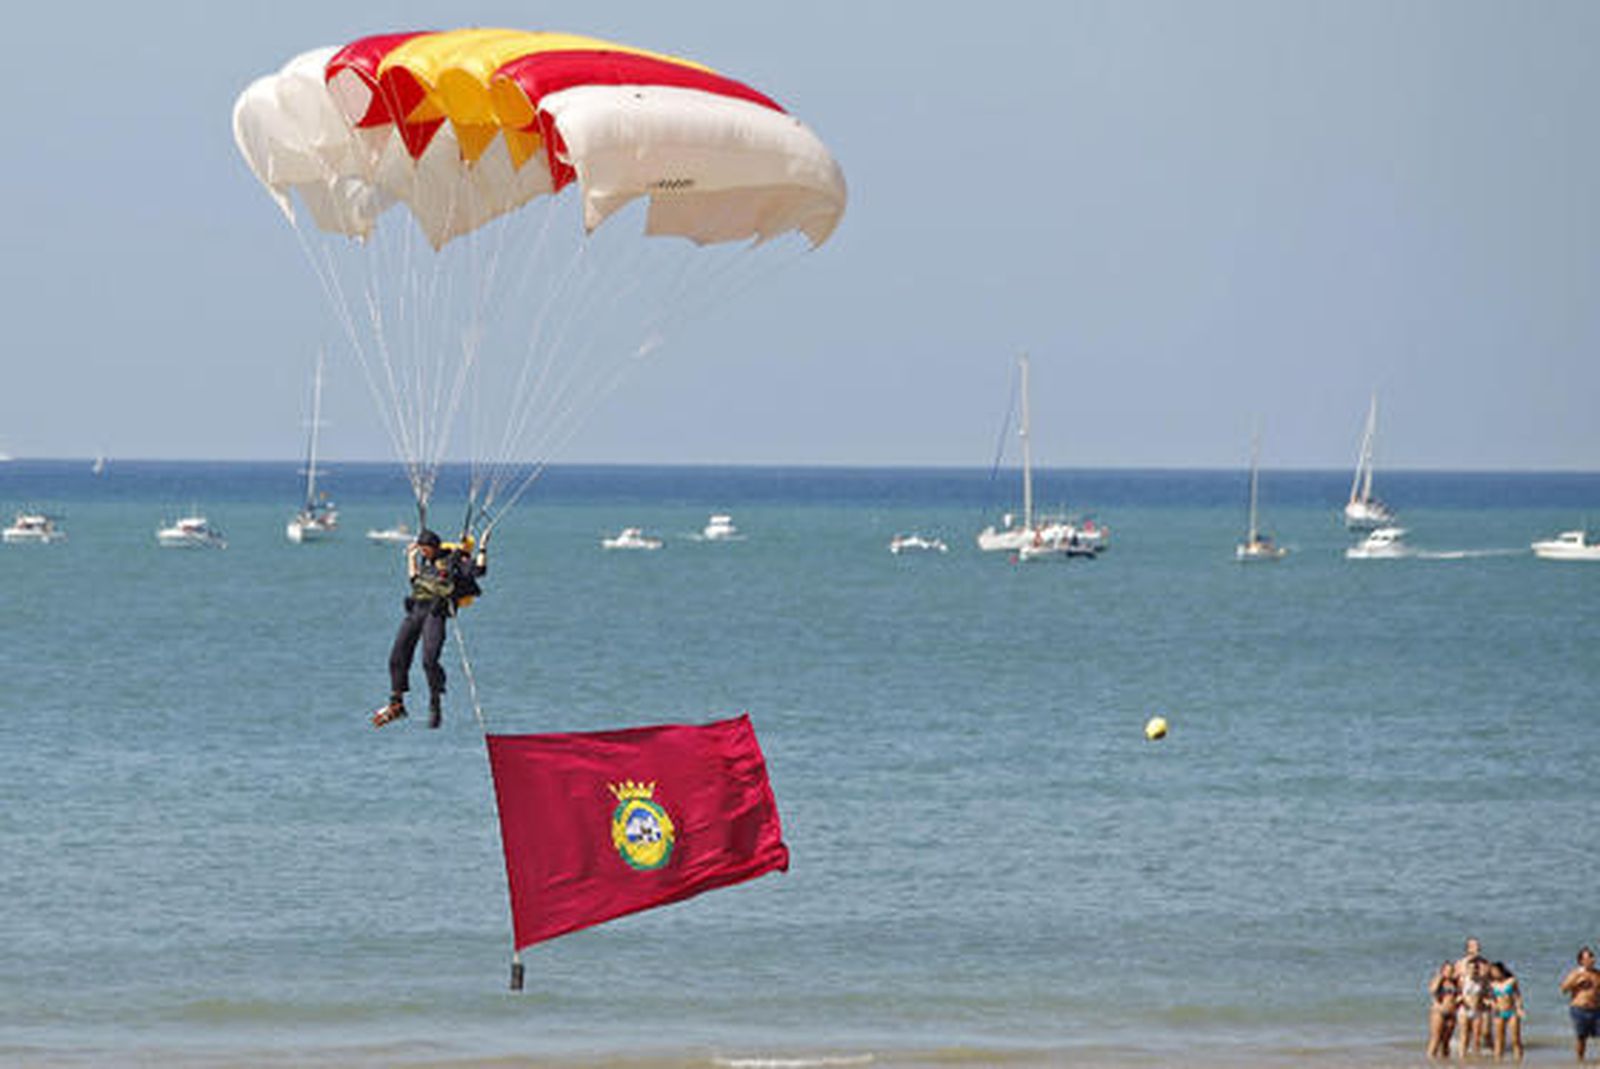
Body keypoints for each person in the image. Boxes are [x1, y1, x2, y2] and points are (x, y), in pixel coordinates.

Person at [373, 528, 487, 729]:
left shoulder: (452, 561)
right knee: (397, 656)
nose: (422, 552)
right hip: (416, 611)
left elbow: (479, 571)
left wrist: (483, 547)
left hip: (435, 614)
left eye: (424, 549)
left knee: (429, 660)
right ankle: (396, 704)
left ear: (434, 547)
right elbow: (414, 581)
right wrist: (411, 558)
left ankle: (435, 700)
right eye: (421, 549)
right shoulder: (424, 561)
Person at [1561, 946, 1600, 1062]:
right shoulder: (1575, 973)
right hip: (1580, 1009)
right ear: (1581, 961)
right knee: (1581, 1038)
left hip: (1597, 1009)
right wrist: (1576, 982)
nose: (1592, 959)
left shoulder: (1597, 974)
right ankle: (1580, 1061)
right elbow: (1563, 989)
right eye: (1589, 957)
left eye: (1592, 957)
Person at [1488, 960, 1525, 1060]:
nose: (1493, 973)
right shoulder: (1492, 984)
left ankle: (1518, 1063)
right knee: (1499, 1040)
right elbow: (1489, 998)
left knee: (1515, 1039)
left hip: (1512, 1012)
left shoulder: (1512, 981)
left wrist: (1520, 1008)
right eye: (1492, 972)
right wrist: (1492, 1004)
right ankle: (1498, 1063)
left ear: (1501, 970)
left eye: (1495, 971)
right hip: (1499, 1013)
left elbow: (1518, 996)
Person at [1428, 961, 1461, 1059]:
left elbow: (1460, 994)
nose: (1450, 972)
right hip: (1439, 1012)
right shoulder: (1438, 981)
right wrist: (1440, 977)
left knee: (1446, 1041)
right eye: (1448, 970)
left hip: (1452, 1013)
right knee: (1436, 1039)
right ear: (1443, 971)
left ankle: (1445, 1064)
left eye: (1452, 970)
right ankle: (1430, 1062)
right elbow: (1433, 991)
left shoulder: (1455, 982)